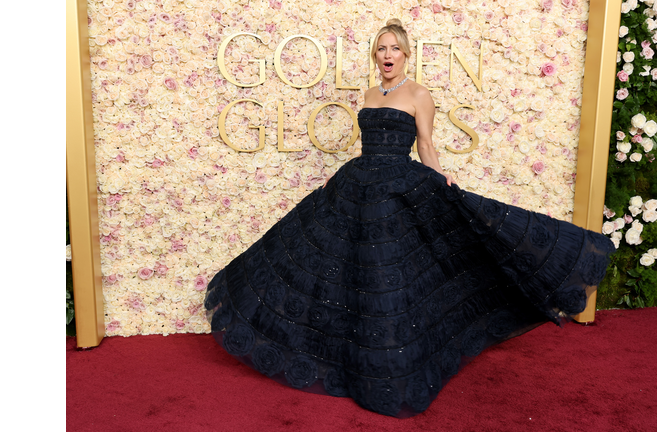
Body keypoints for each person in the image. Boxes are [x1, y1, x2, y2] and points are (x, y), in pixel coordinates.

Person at [204, 19, 615, 418]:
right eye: (381, 48)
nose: (387, 55)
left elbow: (426, 145)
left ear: (406, 55)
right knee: (342, 265)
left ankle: (394, 363)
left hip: (398, 189)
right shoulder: (367, 93)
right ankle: (354, 356)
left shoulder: (419, 94)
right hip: (360, 184)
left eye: (394, 49)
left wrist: (442, 180)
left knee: (390, 273)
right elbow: (369, 144)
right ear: (375, 55)